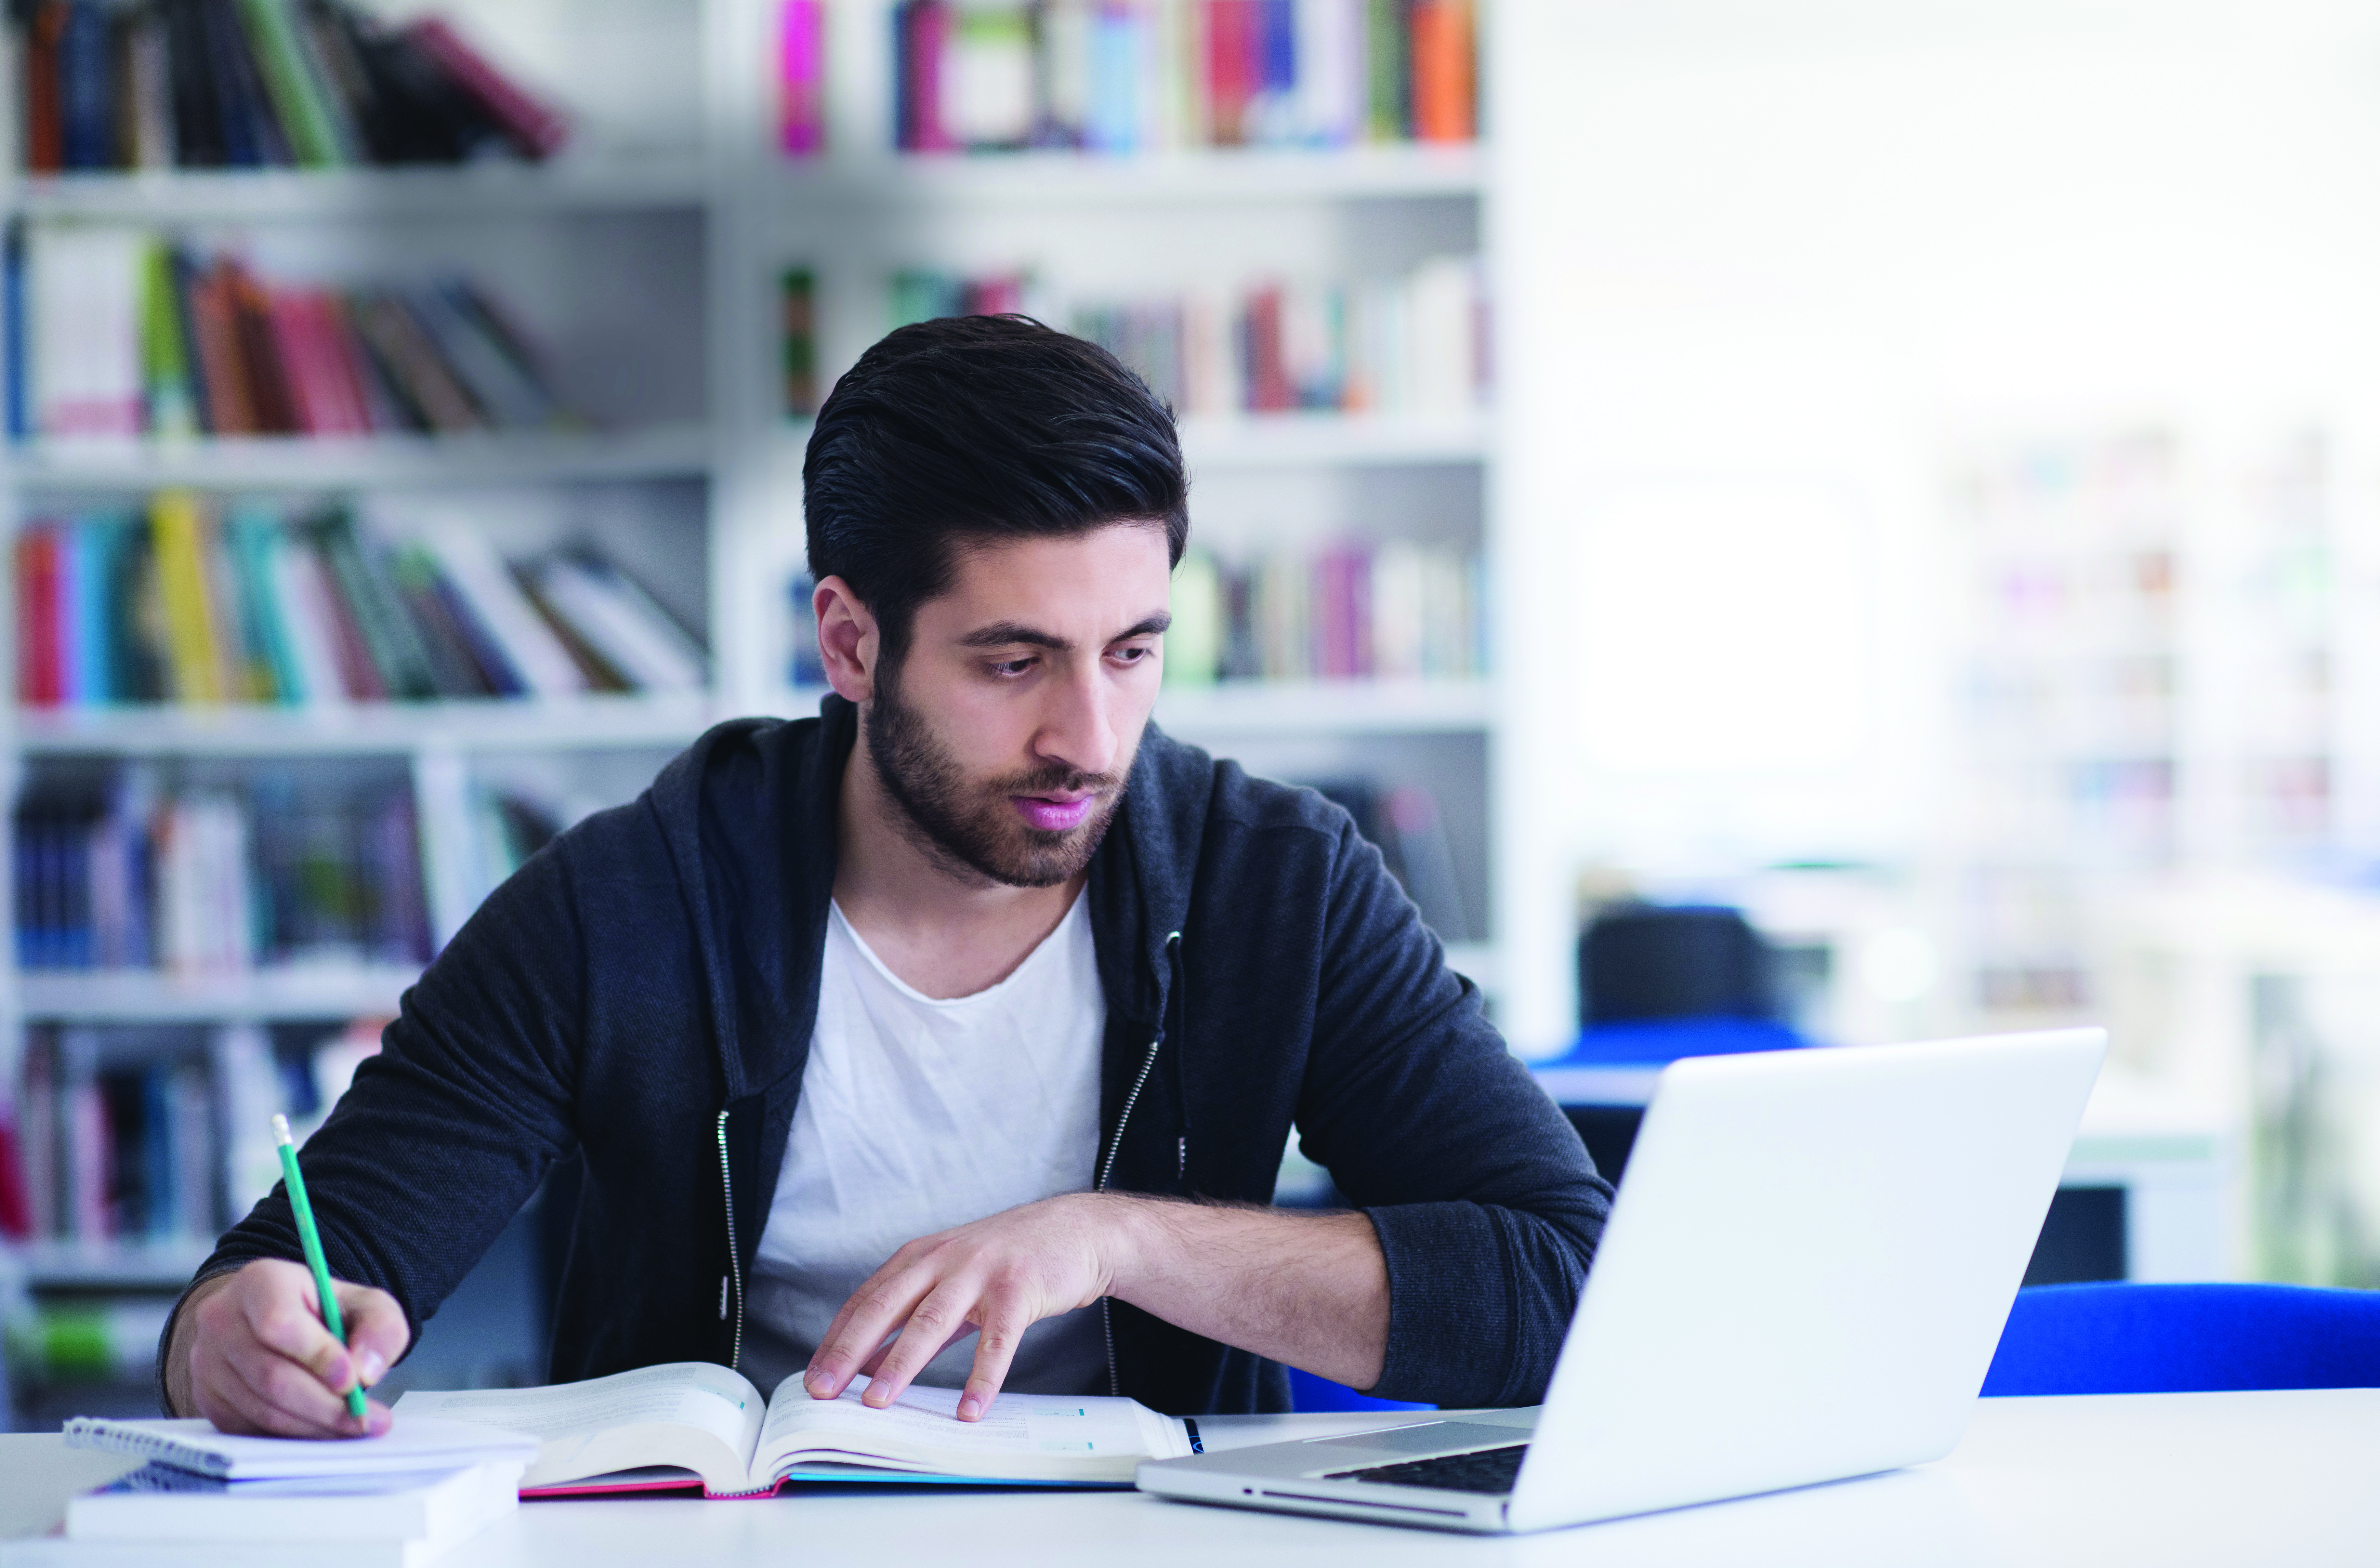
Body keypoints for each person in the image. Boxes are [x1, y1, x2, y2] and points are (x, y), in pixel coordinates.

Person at [159, 315, 1611, 1439]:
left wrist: (1113, 1242)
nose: (1089, 740)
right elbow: (286, 1270)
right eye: (1013, 660)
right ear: (849, 644)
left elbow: (1560, 1286)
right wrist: (238, 1335)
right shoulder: (624, 904)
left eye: (1132, 651)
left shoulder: (1275, 886)